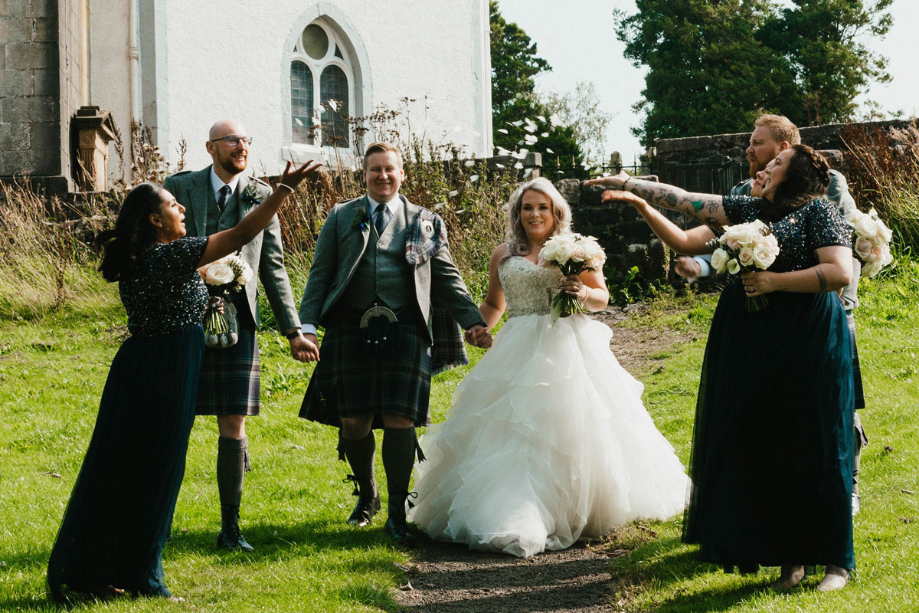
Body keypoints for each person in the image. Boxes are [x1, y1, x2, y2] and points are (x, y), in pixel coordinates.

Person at [586, 144, 855, 592]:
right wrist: (631, 185)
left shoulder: (818, 213)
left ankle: (835, 563)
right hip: (754, 338)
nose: (764, 169)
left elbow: (839, 272)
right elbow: (685, 198)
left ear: (798, 176)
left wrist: (774, 281)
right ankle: (789, 561)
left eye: (775, 165)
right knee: (767, 440)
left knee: (815, 440)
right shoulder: (751, 208)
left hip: (808, 339)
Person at [47, 161, 320, 602]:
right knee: (156, 473)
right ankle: (144, 578)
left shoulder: (149, 258)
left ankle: (109, 569)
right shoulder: (169, 254)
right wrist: (282, 191)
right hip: (163, 370)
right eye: (175, 206)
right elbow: (238, 235)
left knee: (130, 471)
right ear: (155, 220)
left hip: (143, 366)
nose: (182, 211)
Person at [407, 177, 689, 558]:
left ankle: (572, 506)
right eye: (527, 207)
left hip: (568, 345)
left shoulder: (577, 248)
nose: (534, 214)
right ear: (517, 214)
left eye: (542, 207)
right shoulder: (502, 255)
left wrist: (583, 292)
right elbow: (494, 305)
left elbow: (601, 298)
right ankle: (513, 509)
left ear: (557, 212)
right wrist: (478, 328)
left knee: (571, 427)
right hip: (518, 344)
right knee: (513, 431)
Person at [297, 142, 489, 545]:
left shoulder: (426, 220)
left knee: (402, 420)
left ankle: (399, 511)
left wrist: (473, 321)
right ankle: (368, 495)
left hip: (405, 329)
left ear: (402, 174)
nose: (383, 176)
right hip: (351, 327)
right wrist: (307, 326)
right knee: (354, 422)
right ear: (363, 175)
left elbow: (447, 278)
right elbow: (319, 275)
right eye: (374, 170)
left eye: (390, 169)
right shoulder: (340, 216)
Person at [676, 114, 868, 515]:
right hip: (765, 314)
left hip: (822, 306)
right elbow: (728, 249)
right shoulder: (745, 193)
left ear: (783, 150)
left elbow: (845, 244)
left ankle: (845, 485)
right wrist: (703, 267)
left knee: (835, 405)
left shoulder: (827, 186)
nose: (749, 150)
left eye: (758, 143)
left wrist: (840, 298)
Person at [163, 120, 315, 552]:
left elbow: (274, 267)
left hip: (239, 320)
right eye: (232, 140)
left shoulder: (264, 195)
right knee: (176, 418)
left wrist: (292, 330)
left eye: (246, 139)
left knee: (234, 420)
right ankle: (161, 520)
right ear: (211, 147)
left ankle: (231, 527)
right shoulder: (180, 186)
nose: (241, 146)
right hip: (183, 316)